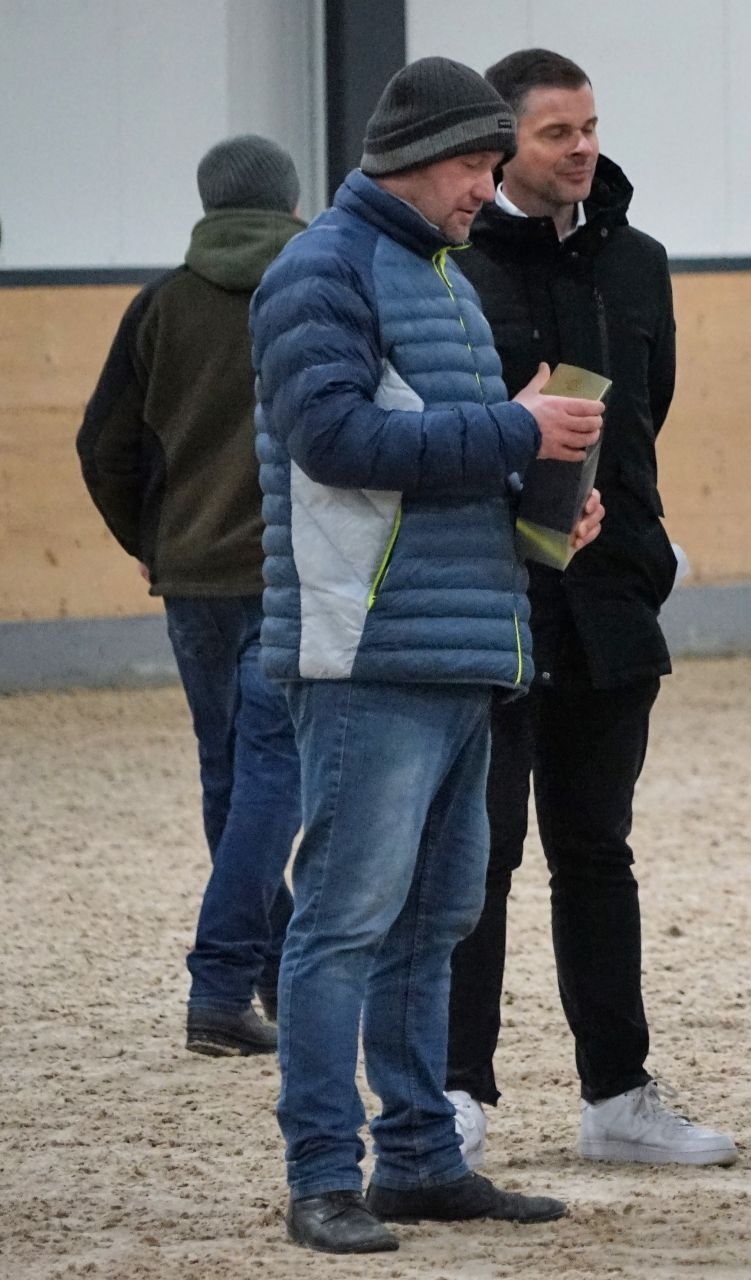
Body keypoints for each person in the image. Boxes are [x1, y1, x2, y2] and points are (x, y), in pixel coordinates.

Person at [251, 56, 607, 1254]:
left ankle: (417, 1155)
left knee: (435, 916)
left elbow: (432, 456)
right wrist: (515, 425)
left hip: (460, 642)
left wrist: (538, 502)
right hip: (370, 651)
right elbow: (333, 439)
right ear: (412, 159)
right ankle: (322, 1173)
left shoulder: (440, 277)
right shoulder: (323, 269)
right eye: (474, 166)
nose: (485, 190)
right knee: (344, 919)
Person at [444, 46, 735, 1169]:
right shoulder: (452, 263)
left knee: (598, 853)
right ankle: (455, 1090)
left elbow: (649, 412)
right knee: (477, 856)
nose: (582, 149)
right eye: (557, 132)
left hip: (610, 603)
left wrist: (638, 548)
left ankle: (618, 1093)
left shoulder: (639, 263)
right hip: (495, 600)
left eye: (591, 128)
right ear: (502, 143)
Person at [76, 135, 305, 1058]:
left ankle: (275, 972)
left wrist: (154, 542)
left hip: (192, 582)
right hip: (291, 573)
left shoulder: (159, 305)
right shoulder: (319, 287)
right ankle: (220, 985)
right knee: (275, 779)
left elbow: (103, 446)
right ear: (289, 201)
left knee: (231, 778)